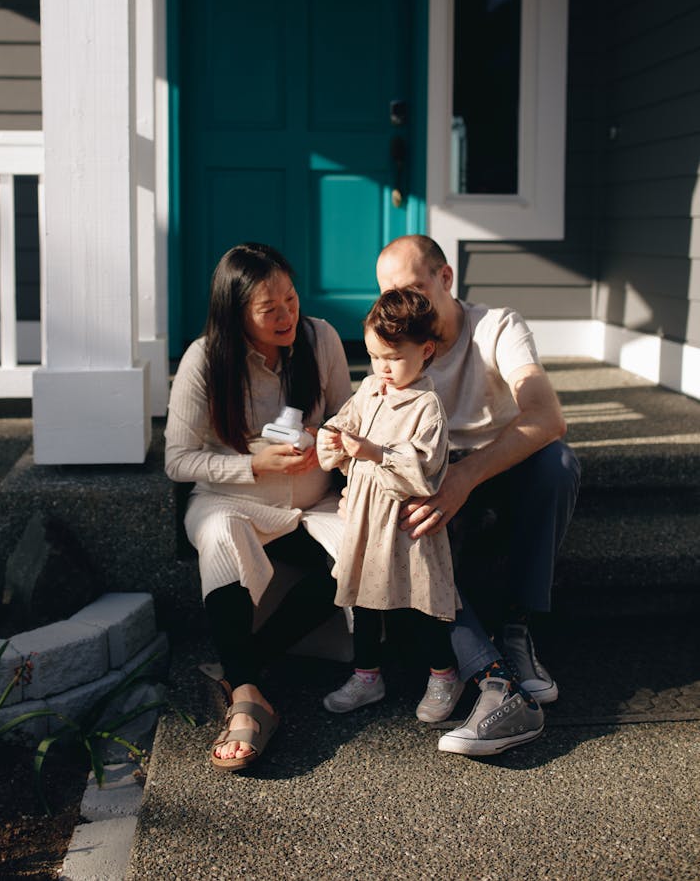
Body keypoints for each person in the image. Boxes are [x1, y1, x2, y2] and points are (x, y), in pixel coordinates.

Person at [376, 235, 581, 756]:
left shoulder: (497, 326)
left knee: (557, 464)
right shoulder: (397, 345)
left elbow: (547, 418)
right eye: (390, 295)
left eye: (416, 289)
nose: (406, 308)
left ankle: (518, 627)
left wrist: (466, 478)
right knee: (400, 511)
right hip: (436, 475)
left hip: (502, 466)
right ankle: (494, 679)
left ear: (445, 279)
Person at [164, 242, 352, 771]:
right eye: (270, 309)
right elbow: (178, 460)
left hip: (315, 502)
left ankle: (242, 667)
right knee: (222, 536)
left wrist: (326, 438)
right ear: (235, 312)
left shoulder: (322, 338)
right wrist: (253, 464)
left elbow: (347, 416)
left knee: (361, 553)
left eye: (291, 299)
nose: (287, 315)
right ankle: (249, 700)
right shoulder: (204, 358)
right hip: (233, 500)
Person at [317, 288, 464, 724]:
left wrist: (373, 452)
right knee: (363, 601)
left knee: (420, 601)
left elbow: (423, 466)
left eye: (393, 358)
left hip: (403, 522)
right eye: (375, 356)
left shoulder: (426, 406)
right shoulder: (371, 390)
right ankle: (367, 675)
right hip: (366, 518)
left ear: (425, 352)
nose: (382, 367)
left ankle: (444, 673)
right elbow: (347, 420)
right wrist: (334, 435)